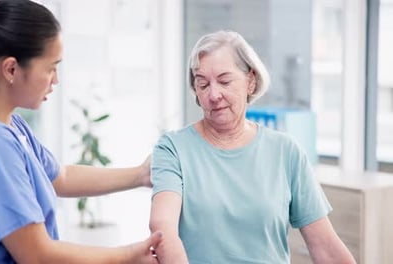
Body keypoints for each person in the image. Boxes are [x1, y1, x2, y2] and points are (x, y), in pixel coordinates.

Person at [0, 0, 162, 263]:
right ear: (11, 69)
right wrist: (128, 256)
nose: (55, 80)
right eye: (50, 68)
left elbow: (62, 177)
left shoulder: (7, 125)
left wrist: (140, 175)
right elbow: (37, 254)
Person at [149, 30, 355, 263]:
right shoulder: (173, 148)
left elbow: (324, 246)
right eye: (203, 84)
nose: (213, 94)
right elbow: (162, 228)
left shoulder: (285, 151)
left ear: (251, 80)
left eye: (225, 81)